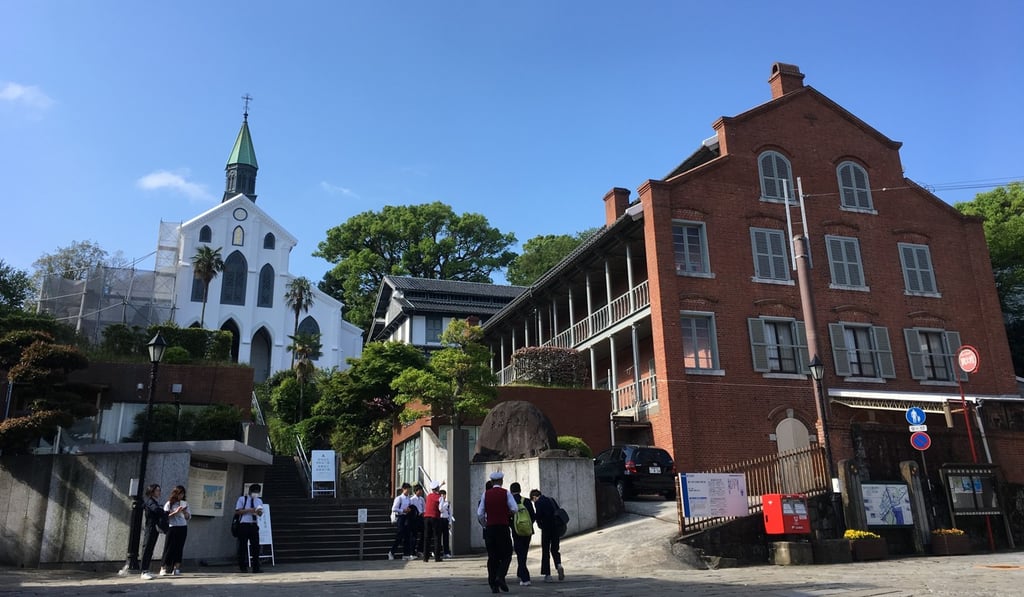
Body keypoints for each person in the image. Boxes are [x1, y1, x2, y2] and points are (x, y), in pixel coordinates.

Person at [477, 471, 517, 594]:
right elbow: (514, 508)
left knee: (492, 557)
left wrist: (485, 524)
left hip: (490, 528)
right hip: (503, 527)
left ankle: (493, 584)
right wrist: (507, 513)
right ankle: (500, 575)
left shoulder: (485, 494)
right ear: (501, 481)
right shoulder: (506, 493)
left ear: (492, 481)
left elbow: (480, 513)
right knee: (507, 554)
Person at [530, 488, 564, 583]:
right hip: (555, 528)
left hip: (546, 529)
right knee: (555, 549)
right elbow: (558, 511)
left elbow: (539, 515)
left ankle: (548, 575)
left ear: (534, 497)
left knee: (546, 551)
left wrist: (536, 520)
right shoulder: (551, 499)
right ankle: (559, 565)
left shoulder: (538, 503)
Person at [159, 485, 191, 576]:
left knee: (179, 547)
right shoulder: (169, 503)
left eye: (183, 494)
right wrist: (175, 512)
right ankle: (163, 567)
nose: (181, 496)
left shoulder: (185, 504)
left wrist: (184, 512)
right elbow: (165, 516)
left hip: (183, 527)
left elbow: (188, 517)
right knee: (168, 547)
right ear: (175, 494)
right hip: (172, 527)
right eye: (180, 494)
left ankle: (176, 568)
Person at [509, 482, 535, 586]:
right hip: (527, 532)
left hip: (516, 532)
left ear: (511, 491)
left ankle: (525, 578)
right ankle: (520, 573)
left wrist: (514, 526)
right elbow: (533, 516)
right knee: (524, 553)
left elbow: (509, 518)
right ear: (520, 490)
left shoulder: (510, 502)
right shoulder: (527, 501)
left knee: (520, 554)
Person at [235, 483, 264, 573]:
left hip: (254, 524)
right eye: (254, 492)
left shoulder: (259, 501)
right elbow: (237, 511)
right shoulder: (242, 499)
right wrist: (250, 510)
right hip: (244, 524)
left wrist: (258, 512)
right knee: (242, 546)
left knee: (256, 546)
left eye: (257, 492)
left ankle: (256, 567)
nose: (256, 494)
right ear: (250, 491)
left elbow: (260, 513)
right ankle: (242, 566)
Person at [139, 484, 163, 580]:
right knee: (147, 548)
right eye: (157, 490)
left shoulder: (154, 501)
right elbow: (156, 510)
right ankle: (143, 571)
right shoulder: (150, 501)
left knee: (150, 548)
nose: (159, 492)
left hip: (154, 528)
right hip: (150, 528)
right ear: (152, 492)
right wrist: (164, 511)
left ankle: (147, 570)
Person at [388, 483, 413, 560]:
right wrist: (403, 510)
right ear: (403, 489)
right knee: (400, 536)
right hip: (401, 517)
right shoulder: (399, 498)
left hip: (407, 517)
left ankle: (406, 554)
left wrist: (409, 510)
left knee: (407, 536)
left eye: (409, 489)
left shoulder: (409, 498)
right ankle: (392, 552)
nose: (408, 491)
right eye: (407, 489)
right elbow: (394, 509)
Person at [422, 481, 443, 562]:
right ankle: (437, 557)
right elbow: (440, 508)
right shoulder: (440, 497)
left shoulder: (428, 496)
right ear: (437, 488)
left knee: (427, 537)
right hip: (435, 517)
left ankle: (425, 557)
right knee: (437, 537)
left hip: (427, 518)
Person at [409, 484, 426, 557]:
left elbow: (424, 508)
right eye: (419, 490)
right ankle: (412, 551)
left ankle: (420, 550)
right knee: (414, 535)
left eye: (421, 490)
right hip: (415, 519)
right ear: (416, 491)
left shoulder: (422, 499)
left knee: (424, 533)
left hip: (421, 517)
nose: (421, 492)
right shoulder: (412, 499)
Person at [438, 489, 452, 559]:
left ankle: (446, 552)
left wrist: (450, 522)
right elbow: (440, 509)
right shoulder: (439, 503)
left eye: (445, 495)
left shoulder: (448, 503)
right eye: (442, 495)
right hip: (439, 520)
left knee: (446, 537)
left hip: (445, 520)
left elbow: (450, 513)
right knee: (439, 537)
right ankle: (439, 552)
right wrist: (441, 501)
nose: (444, 496)